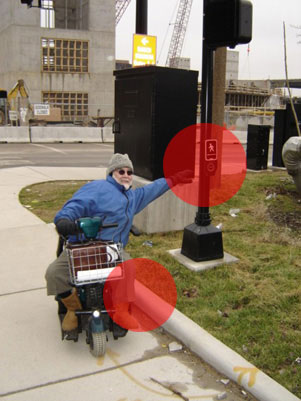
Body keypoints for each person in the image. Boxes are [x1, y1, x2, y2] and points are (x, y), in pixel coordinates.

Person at [45, 153, 175, 332]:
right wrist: (65, 220)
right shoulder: (97, 188)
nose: (126, 175)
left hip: (110, 248)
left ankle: (121, 310)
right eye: (121, 170)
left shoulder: (132, 197)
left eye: (129, 172)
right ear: (111, 173)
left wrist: (174, 179)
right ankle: (72, 309)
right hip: (83, 247)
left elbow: (153, 189)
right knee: (54, 273)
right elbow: (75, 205)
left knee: (128, 267)